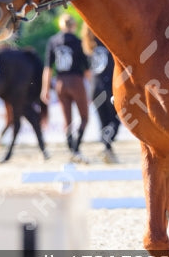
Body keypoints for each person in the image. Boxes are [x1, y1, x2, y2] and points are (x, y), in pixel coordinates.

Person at [43, 14, 91, 163]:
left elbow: (48, 69)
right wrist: (91, 87)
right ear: (74, 26)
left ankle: (71, 149)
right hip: (76, 81)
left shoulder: (53, 41)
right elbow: (87, 70)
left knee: (67, 119)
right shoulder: (78, 42)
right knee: (84, 117)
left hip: (60, 82)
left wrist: (45, 88)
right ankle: (76, 148)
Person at [82, 25, 120, 164]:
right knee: (116, 119)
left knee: (103, 121)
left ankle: (107, 148)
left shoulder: (89, 44)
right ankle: (106, 145)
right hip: (108, 84)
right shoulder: (108, 40)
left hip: (94, 86)